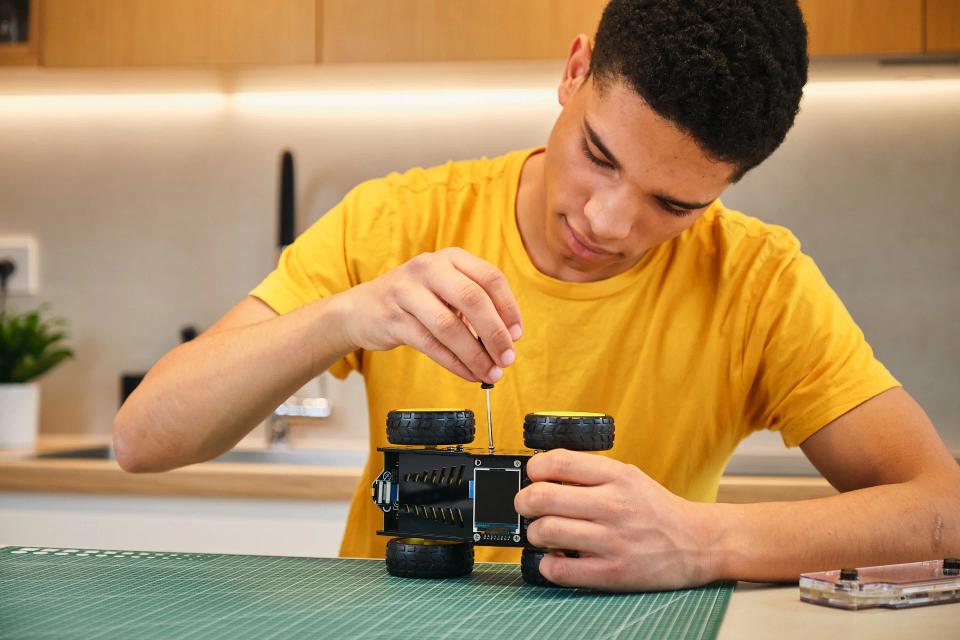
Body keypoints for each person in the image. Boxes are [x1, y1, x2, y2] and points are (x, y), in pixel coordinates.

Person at [114, 0, 960, 591]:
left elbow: (943, 509)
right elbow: (142, 438)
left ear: (729, 185)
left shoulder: (759, 283)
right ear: (575, 69)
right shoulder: (396, 220)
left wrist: (704, 540)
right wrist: (348, 311)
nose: (608, 220)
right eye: (599, 153)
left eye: (673, 205)